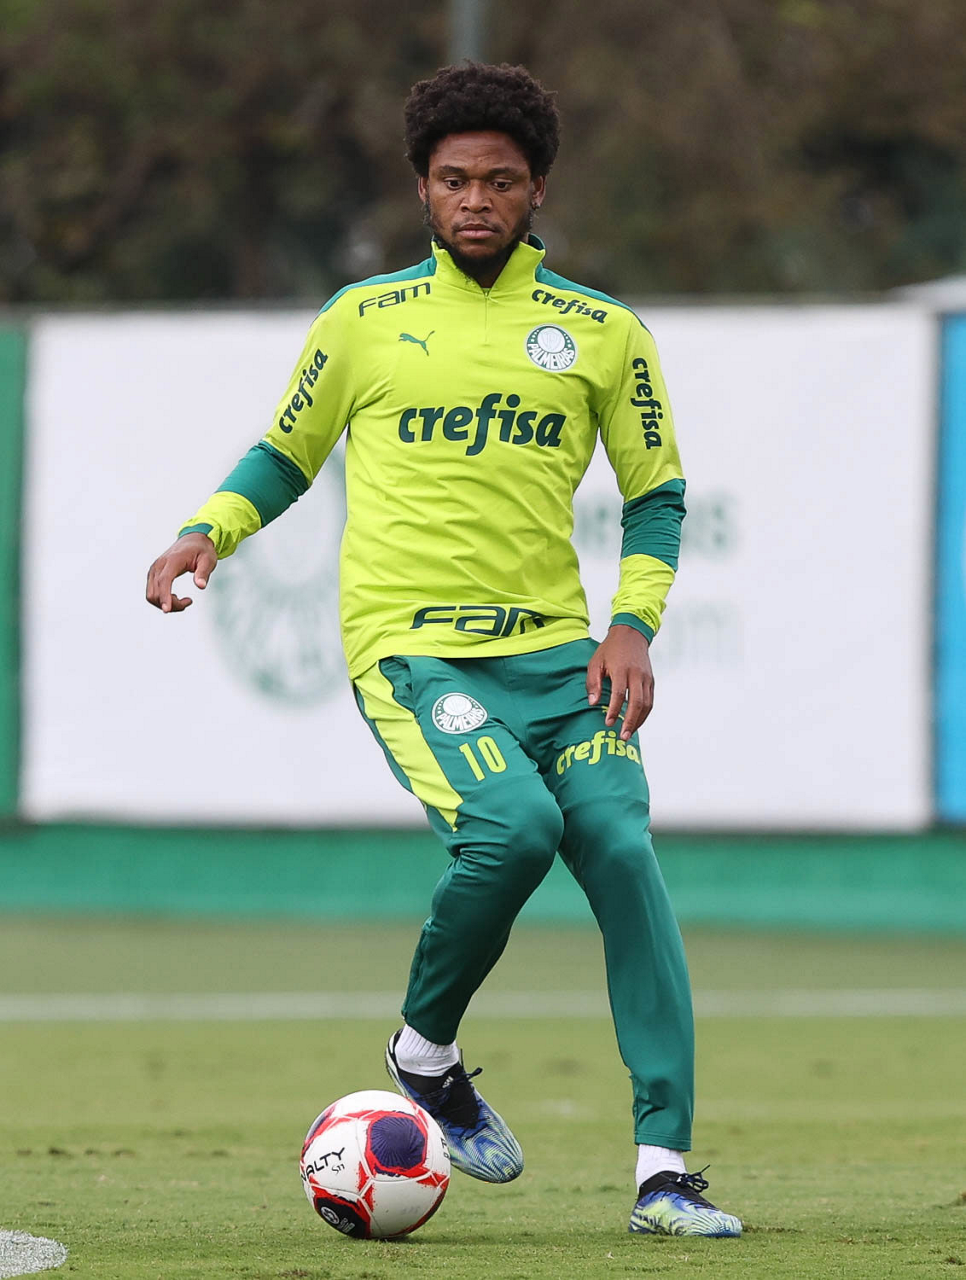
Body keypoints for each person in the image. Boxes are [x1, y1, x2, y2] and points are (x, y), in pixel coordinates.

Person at [146, 61, 740, 1239]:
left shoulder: (603, 332)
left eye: (501, 180)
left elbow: (658, 495)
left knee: (624, 852)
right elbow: (285, 452)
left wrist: (632, 623)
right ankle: (424, 1052)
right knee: (512, 827)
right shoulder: (362, 320)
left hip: (561, 662)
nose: (477, 199)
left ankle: (664, 1172)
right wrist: (207, 530)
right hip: (417, 655)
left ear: (537, 189)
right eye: (455, 179)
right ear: (421, 188)